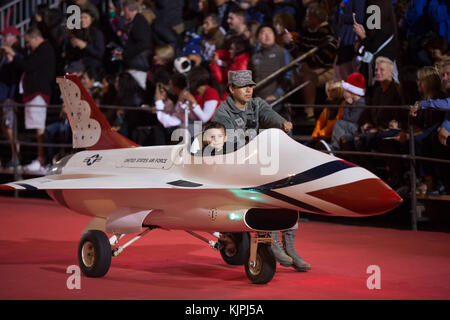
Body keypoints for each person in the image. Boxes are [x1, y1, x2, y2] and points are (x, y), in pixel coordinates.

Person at [211, 70, 309, 271]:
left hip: (255, 162)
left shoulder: (255, 104)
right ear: (231, 89)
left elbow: (268, 115)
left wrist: (281, 123)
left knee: (288, 184)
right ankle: (272, 241)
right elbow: (232, 144)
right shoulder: (223, 113)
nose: (249, 90)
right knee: (268, 185)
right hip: (233, 166)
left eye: (251, 86)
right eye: (243, 87)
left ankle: (289, 246)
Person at [4, 27, 55, 173]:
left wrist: (14, 54)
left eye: (28, 42)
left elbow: (28, 66)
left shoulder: (44, 49)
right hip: (33, 93)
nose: (27, 45)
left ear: (35, 38)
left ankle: (41, 159)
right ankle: (40, 159)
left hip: (38, 92)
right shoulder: (39, 50)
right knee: (35, 126)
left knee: (39, 126)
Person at [112, 0, 152, 90]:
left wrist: (125, 55)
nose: (123, 13)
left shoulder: (139, 21)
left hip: (138, 65)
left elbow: (143, 43)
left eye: (123, 10)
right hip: (135, 63)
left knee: (138, 89)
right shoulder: (136, 20)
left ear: (127, 9)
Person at [0, 26, 24, 170]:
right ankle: (14, 156)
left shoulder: (18, 53)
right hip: (2, 95)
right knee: (5, 126)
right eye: (3, 36)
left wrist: (10, 55)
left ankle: (17, 157)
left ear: (15, 37)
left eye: (7, 36)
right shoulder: (3, 55)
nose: (4, 38)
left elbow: (20, 68)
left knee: (9, 126)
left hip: (10, 96)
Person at [330, 72, 366, 150]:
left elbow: (351, 120)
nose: (343, 93)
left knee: (339, 124)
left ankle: (335, 148)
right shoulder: (350, 102)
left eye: (345, 91)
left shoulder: (361, 103)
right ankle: (340, 148)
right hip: (352, 127)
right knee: (341, 126)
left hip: (359, 128)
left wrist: (347, 104)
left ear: (352, 91)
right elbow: (345, 117)